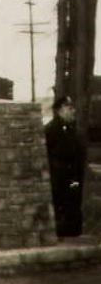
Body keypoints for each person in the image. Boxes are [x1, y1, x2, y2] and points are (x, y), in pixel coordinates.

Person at [45, 95, 86, 238]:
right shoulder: (51, 130)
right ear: (60, 110)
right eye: (69, 108)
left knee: (73, 200)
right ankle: (60, 232)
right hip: (58, 179)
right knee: (60, 203)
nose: (73, 111)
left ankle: (72, 230)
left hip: (73, 178)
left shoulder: (71, 129)